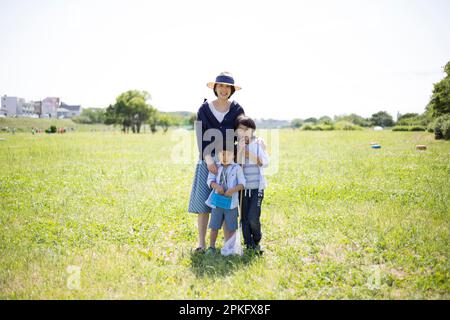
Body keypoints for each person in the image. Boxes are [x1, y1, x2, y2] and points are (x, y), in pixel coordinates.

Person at [188, 72, 245, 252]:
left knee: (228, 200)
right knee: (204, 202)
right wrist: (208, 159)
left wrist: (238, 157)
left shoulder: (237, 110)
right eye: (220, 86)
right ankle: (202, 244)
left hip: (230, 162)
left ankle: (228, 244)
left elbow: (243, 134)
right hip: (207, 159)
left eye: (227, 87)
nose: (223, 89)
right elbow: (200, 137)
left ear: (231, 90)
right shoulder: (203, 110)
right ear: (215, 88)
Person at [236, 116, 269, 254]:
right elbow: (236, 166)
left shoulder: (258, 144)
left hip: (257, 188)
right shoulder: (238, 147)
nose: (243, 132)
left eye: (247, 129)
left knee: (253, 217)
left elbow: (264, 162)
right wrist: (240, 151)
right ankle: (249, 244)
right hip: (243, 189)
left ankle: (256, 238)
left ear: (252, 131)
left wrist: (248, 153)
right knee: (244, 218)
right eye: (240, 129)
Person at [204, 147, 245, 255]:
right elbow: (210, 181)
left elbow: (242, 184)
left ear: (233, 156)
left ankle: (229, 248)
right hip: (217, 202)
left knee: (231, 226)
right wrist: (217, 186)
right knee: (214, 226)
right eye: (222, 154)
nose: (225, 157)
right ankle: (211, 247)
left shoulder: (237, 168)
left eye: (228, 155)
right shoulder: (216, 167)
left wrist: (233, 190)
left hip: (231, 203)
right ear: (218, 155)